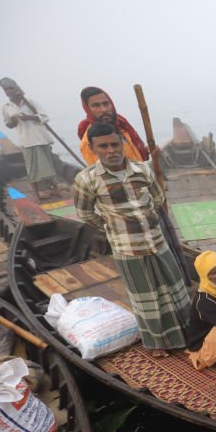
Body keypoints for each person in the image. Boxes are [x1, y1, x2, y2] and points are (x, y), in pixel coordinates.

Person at [73, 122, 190, 357]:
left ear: (123, 144)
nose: (111, 151)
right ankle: (157, 343)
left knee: (174, 288)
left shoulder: (142, 170)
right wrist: (111, 228)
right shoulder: (86, 180)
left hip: (157, 241)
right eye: (103, 146)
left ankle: (187, 332)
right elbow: (85, 213)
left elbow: (157, 199)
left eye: (115, 144)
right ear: (94, 149)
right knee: (147, 298)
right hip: (127, 248)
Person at [0, 77, 60, 200]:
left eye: (11, 88)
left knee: (49, 166)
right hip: (27, 141)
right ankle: (37, 195)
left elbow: (44, 117)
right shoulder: (6, 106)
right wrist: (13, 120)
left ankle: (55, 190)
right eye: (6, 89)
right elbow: (9, 124)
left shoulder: (29, 101)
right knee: (32, 170)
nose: (9, 91)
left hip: (41, 138)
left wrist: (29, 117)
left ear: (16, 88)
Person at [76, 87, 150, 166]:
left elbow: (134, 155)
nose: (104, 109)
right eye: (96, 106)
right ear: (88, 109)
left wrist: (149, 153)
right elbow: (101, 174)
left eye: (106, 103)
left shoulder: (121, 126)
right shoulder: (90, 140)